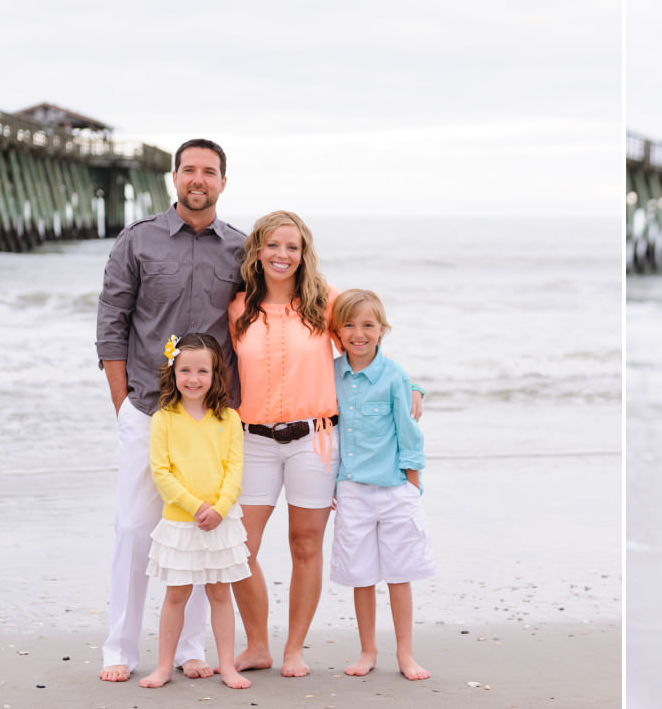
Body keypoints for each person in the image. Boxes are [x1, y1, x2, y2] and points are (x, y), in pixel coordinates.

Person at [227, 212, 424, 677]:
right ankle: (257, 645)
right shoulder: (237, 307)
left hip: (312, 440)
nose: (282, 255)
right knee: (240, 548)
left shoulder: (323, 302)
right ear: (257, 250)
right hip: (251, 440)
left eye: (292, 247)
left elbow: (365, 340)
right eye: (272, 245)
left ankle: (294, 648)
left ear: (303, 253)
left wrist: (410, 385)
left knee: (305, 544)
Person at [95, 138, 245, 682]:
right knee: (136, 528)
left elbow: (288, 302)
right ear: (174, 178)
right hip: (146, 409)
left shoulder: (241, 249)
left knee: (203, 528)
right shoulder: (138, 241)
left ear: (223, 182)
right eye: (189, 170)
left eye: (209, 171)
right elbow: (111, 322)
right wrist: (122, 405)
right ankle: (120, 649)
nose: (198, 179)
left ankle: (191, 649)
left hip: (210, 418)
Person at [329, 289, 435, 681]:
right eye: (350, 325)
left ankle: (405, 654)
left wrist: (413, 483)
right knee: (360, 575)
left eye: (368, 325)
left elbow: (409, 434)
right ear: (337, 331)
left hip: (394, 490)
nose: (359, 333)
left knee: (399, 573)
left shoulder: (396, 377)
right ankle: (367, 650)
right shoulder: (331, 374)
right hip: (352, 490)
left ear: (382, 330)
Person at [141, 333, 250, 690]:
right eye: (185, 370)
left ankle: (228, 667)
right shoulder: (164, 418)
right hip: (180, 523)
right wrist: (194, 506)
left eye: (202, 370)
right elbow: (161, 472)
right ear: (173, 372)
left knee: (220, 593)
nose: (193, 378)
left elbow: (235, 470)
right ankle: (162, 666)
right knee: (176, 595)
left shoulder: (229, 418)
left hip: (220, 521)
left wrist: (219, 508)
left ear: (216, 373)